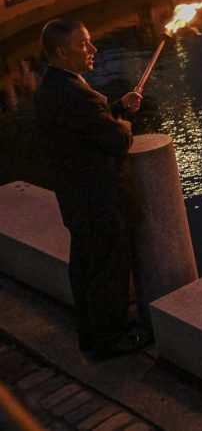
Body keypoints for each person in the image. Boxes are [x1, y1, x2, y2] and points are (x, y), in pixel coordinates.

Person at [33, 18, 152, 361]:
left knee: (86, 268)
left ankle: (90, 333)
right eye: (84, 44)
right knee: (108, 272)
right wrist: (124, 123)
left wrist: (115, 108)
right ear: (61, 51)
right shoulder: (74, 93)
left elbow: (83, 125)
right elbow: (116, 140)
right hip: (101, 202)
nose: (92, 49)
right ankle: (110, 340)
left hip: (77, 200)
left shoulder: (51, 88)